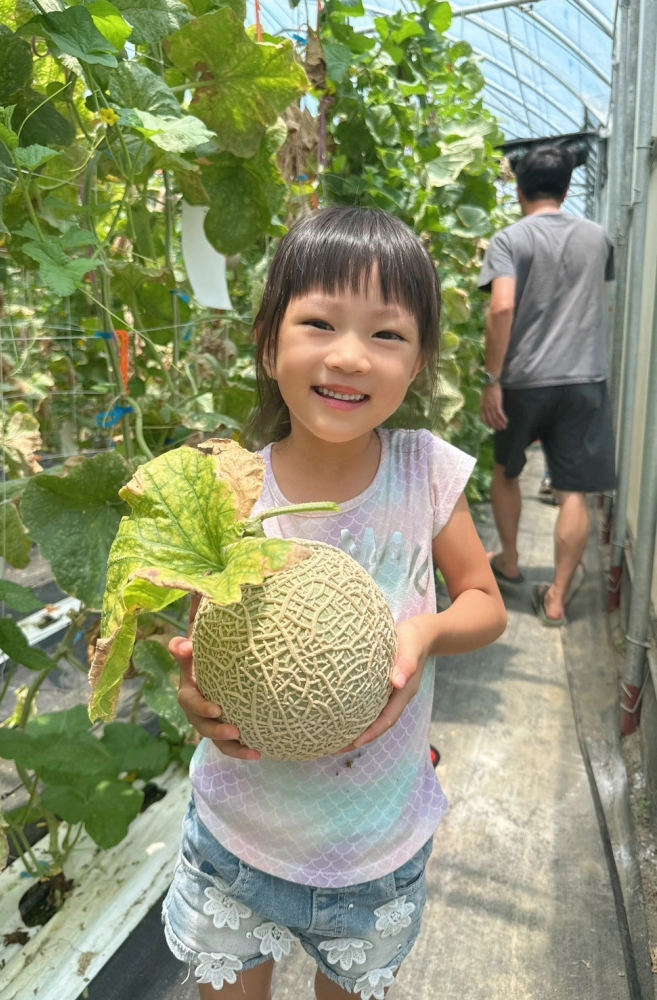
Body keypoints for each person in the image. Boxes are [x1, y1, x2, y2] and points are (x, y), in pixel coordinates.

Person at [164, 206, 507, 1000]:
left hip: (372, 848)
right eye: (319, 323)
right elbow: (204, 643)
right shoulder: (229, 488)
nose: (350, 356)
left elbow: (484, 603)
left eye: (387, 335)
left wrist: (422, 633)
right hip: (236, 834)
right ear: (268, 341)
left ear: (420, 361)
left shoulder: (425, 473)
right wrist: (194, 695)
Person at [478, 145, 616, 626]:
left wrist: (492, 380)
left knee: (507, 470)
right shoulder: (597, 239)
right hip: (584, 378)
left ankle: (510, 560)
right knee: (574, 490)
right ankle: (556, 597)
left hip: (524, 380)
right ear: (568, 188)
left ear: (519, 189)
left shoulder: (510, 239)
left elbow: (501, 308)